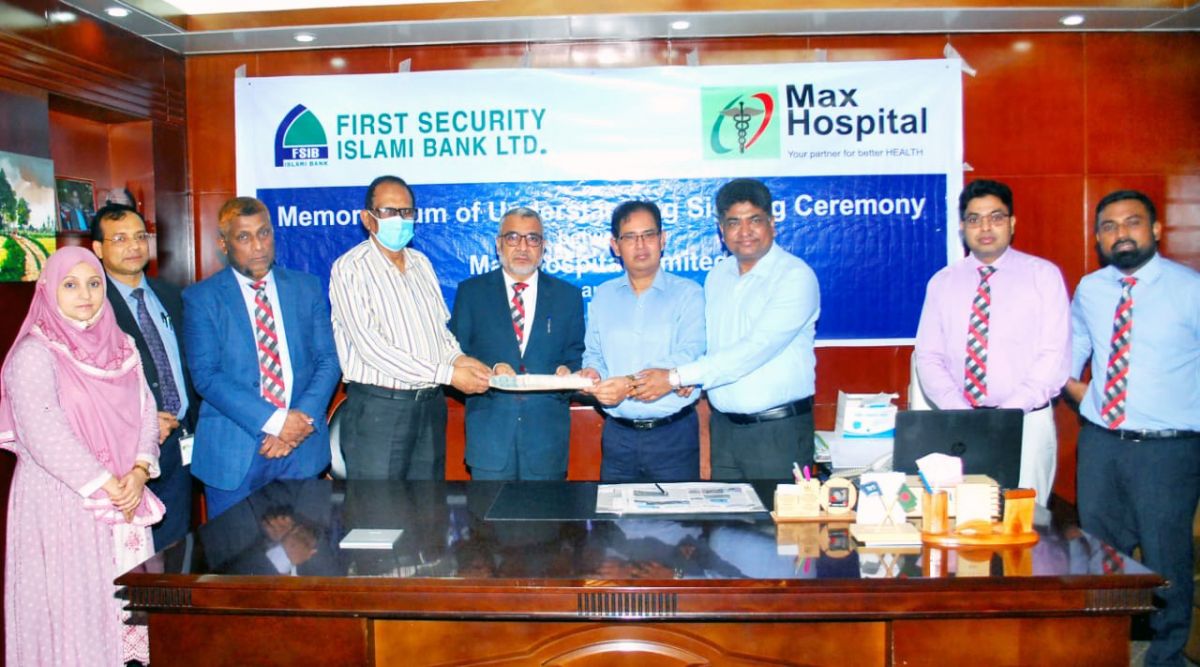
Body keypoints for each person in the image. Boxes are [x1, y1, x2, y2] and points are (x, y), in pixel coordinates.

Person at [0, 247, 164, 666]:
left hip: (125, 496)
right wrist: (109, 484)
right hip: (63, 502)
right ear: (48, 290)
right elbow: (43, 432)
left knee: (121, 610)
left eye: (93, 283)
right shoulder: (34, 354)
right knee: (73, 608)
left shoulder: (122, 345)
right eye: (70, 285)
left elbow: (146, 411)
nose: (85, 295)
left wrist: (139, 471)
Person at [1066, 190, 1200, 667]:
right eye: (1109, 226)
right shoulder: (1091, 289)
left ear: (1156, 229)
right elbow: (1076, 343)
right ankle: (1102, 652)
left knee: (1166, 559)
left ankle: (1166, 656)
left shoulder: (1189, 289)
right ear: (1098, 238)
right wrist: (1078, 390)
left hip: (1167, 452)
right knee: (1099, 557)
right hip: (1101, 445)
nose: (1120, 234)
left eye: (1132, 222)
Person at [636, 178, 820, 480]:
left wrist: (676, 377)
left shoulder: (795, 277)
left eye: (754, 220)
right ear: (721, 230)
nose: (744, 231)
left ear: (772, 224)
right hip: (724, 431)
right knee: (727, 513)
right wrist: (690, 377)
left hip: (778, 433)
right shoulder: (717, 277)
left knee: (779, 513)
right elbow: (715, 347)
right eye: (734, 222)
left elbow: (754, 349)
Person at [912, 179, 1070, 505]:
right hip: (958, 424)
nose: (985, 227)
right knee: (962, 520)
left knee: (1025, 522)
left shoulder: (1043, 276)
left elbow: (1054, 356)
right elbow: (928, 356)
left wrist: (1005, 415)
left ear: (1012, 223)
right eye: (974, 219)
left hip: (1025, 422)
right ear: (962, 227)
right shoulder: (942, 282)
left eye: (996, 217)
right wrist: (961, 413)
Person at [184, 197, 339, 518]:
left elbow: (328, 360)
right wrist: (276, 421)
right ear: (223, 244)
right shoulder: (202, 298)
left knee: (305, 547)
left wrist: (297, 423)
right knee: (236, 548)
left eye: (264, 233)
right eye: (244, 237)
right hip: (234, 452)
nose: (258, 246)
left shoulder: (306, 287)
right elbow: (206, 376)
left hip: (301, 447)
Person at [329, 175, 491, 480]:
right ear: (368, 218)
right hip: (380, 411)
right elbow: (372, 348)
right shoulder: (351, 268)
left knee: (429, 506)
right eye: (388, 211)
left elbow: (439, 333)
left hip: (430, 408)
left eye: (406, 212)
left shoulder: (421, 263)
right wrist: (449, 375)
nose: (399, 220)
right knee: (379, 508)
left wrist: (459, 359)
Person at [449, 206, 585, 480]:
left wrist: (567, 374)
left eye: (532, 238)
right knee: (488, 511)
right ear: (498, 244)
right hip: (490, 440)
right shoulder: (471, 293)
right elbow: (455, 355)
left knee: (543, 510)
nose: (523, 247)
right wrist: (491, 371)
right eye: (513, 237)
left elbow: (574, 356)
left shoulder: (567, 296)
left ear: (543, 246)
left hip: (545, 442)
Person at [92, 203, 198, 549]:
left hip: (179, 442)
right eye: (120, 239)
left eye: (140, 236)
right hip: (127, 449)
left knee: (176, 547)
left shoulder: (172, 295)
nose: (134, 246)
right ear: (98, 249)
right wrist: (141, 422)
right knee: (132, 552)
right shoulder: (93, 304)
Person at [579, 200, 705, 481]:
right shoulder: (603, 296)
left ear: (663, 239)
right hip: (618, 436)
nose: (640, 245)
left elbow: (690, 354)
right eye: (630, 237)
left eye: (648, 235)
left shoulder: (688, 294)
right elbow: (594, 353)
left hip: (673, 435)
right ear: (615, 245)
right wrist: (593, 374)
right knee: (614, 511)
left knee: (677, 511)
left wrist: (627, 384)